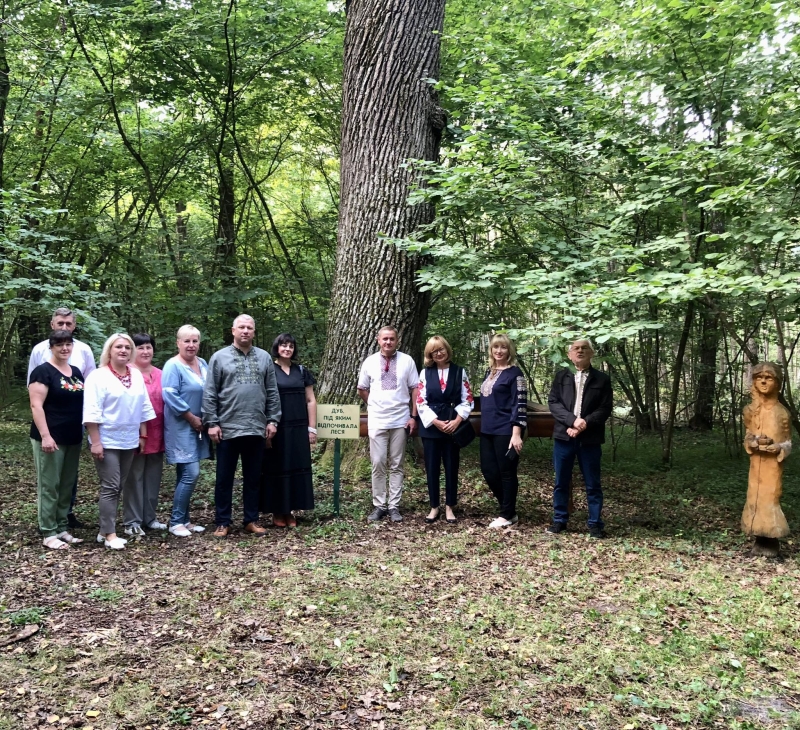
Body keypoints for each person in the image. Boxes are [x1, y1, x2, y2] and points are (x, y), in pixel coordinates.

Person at [202, 315, 281, 538]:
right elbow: (210, 392)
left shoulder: (264, 357)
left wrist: (273, 420)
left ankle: (251, 519)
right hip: (227, 428)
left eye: (249, 328)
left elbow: (272, 391)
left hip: (256, 427)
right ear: (233, 331)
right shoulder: (219, 357)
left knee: (253, 478)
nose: (245, 331)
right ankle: (222, 521)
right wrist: (212, 422)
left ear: (254, 332)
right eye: (241, 327)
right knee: (224, 479)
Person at [83, 333, 156, 549]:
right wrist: (96, 442)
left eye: (127, 347)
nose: (123, 350)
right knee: (111, 486)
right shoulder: (98, 376)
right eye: (118, 347)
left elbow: (143, 407)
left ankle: (103, 530)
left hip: (129, 439)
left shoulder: (135, 375)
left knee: (119, 485)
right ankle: (110, 535)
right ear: (109, 351)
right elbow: (91, 411)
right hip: (106, 439)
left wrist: (142, 435)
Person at [28, 306, 96, 529]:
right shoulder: (42, 371)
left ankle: (62, 525)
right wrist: (46, 436)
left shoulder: (75, 371)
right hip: (51, 435)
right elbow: (36, 404)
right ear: (51, 347)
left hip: (72, 434)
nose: (64, 348)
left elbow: (89, 394)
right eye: (59, 344)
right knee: (50, 484)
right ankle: (49, 530)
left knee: (67, 484)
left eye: (68, 344)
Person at [547, 338, 612, 538]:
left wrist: (584, 424)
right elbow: (553, 403)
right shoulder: (561, 377)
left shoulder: (602, 379)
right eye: (576, 348)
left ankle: (595, 524)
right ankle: (559, 520)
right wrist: (572, 421)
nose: (580, 351)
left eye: (584, 348)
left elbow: (605, 408)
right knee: (561, 481)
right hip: (563, 437)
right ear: (569, 354)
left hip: (590, 439)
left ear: (592, 353)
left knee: (593, 483)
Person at [357, 325, 419, 523]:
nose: (388, 342)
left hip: (400, 419)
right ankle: (379, 505)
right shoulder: (370, 362)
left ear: (397, 340)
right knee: (378, 462)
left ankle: (394, 505)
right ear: (378, 340)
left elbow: (415, 389)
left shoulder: (407, 361)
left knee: (397, 463)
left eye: (392, 338)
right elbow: (362, 388)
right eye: (385, 338)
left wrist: (413, 416)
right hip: (377, 420)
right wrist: (374, 405)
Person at [260, 333, 317, 527]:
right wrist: (266, 425)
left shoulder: (301, 371)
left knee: (296, 467)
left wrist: (312, 428)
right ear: (277, 348)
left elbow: (310, 400)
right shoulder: (269, 370)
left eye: (291, 346)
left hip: (299, 427)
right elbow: (263, 400)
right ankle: (278, 511)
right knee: (276, 468)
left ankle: (291, 510)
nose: (287, 349)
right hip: (277, 428)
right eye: (283, 345)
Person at [416, 336, 474, 524]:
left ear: (447, 350)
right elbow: (420, 401)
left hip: (452, 426)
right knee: (432, 467)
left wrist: (457, 421)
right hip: (431, 427)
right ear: (429, 354)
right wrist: (435, 422)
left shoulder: (459, 372)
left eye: (441, 349)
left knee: (451, 466)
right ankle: (434, 506)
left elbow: (467, 399)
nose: (438, 353)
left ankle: (450, 506)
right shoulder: (425, 373)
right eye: (434, 351)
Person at [162, 326, 211, 537]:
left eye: (195, 341)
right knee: (192, 473)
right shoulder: (173, 365)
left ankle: (185, 520)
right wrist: (191, 417)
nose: (191, 345)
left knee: (184, 474)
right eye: (187, 341)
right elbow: (169, 395)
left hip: (200, 425)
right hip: (181, 426)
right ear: (178, 343)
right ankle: (175, 521)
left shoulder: (203, 363)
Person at [741, 362, 791, 555]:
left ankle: (771, 542)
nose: (763, 381)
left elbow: (788, 442)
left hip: (772, 468)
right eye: (758, 378)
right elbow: (748, 435)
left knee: (770, 499)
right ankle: (758, 541)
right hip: (756, 467)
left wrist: (778, 447)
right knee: (754, 498)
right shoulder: (750, 410)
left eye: (768, 378)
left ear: (777, 382)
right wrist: (752, 442)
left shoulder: (782, 413)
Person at [479, 334, 528, 528]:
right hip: (487, 430)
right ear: (491, 350)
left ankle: (507, 514)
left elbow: (520, 404)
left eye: (503, 347)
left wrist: (516, 434)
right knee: (488, 471)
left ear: (509, 350)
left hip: (506, 430)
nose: (499, 351)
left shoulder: (515, 374)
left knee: (507, 472)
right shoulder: (489, 372)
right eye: (495, 347)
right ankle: (509, 509)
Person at [122, 333, 166, 536]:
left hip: (158, 433)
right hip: (135, 434)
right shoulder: (127, 373)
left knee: (153, 477)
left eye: (149, 347)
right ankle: (132, 520)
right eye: (140, 347)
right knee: (134, 478)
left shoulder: (161, 373)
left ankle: (150, 517)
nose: (145, 351)